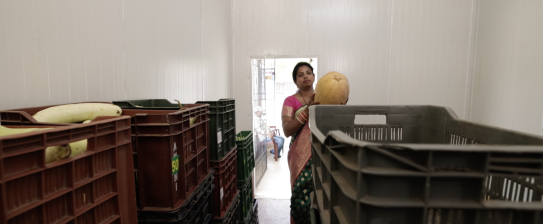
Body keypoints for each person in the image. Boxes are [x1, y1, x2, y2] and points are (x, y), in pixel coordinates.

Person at [282, 62, 319, 224]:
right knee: (301, 199)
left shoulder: (323, 98)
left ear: (314, 77)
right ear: (296, 81)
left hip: (321, 153)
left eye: (308, 72)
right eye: (300, 74)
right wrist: (307, 111)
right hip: (300, 156)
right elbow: (287, 130)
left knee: (321, 199)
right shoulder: (290, 101)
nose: (305, 76)